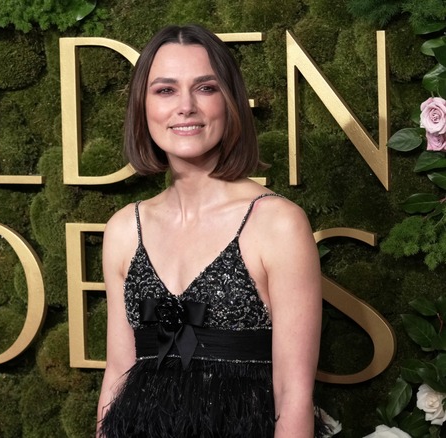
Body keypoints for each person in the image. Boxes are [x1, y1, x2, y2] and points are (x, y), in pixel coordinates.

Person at [96, 24, 324, 437]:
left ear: (230, 101)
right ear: (142, 107)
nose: (185, 106)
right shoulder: (124, 229)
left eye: (205, 88)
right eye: (165, 90)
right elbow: (117, 374)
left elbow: (293, 393)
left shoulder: (276, 223)